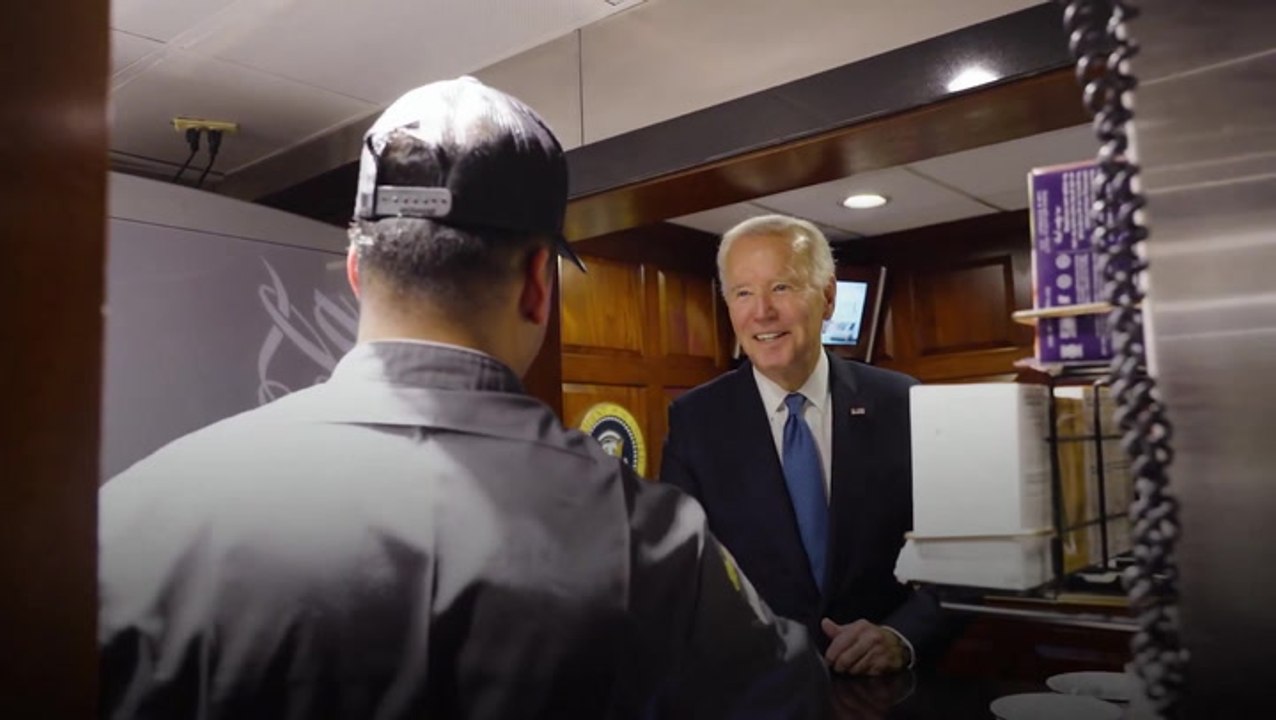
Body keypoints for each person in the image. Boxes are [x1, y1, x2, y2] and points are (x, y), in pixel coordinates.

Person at [98, 78, 829, 719]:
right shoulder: (652, 543)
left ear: (356, 269)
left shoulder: (140, 516)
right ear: (541, 284)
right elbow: (784, 697)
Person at [660, 214, 944, 677]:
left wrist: (902, 636)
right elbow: (681, 574)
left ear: (828, 297)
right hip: (757, 690)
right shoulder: (696, 421)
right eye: (743, 293)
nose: (762, 312)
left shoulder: (902, 403)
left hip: (883, 693)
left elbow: (962, 565)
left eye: (782, 288)